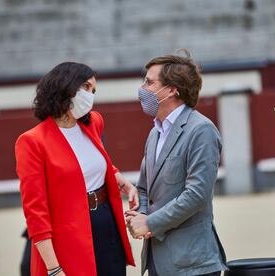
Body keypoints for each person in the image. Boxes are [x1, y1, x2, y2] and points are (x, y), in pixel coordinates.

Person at [15, 62, 136, 276]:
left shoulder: (94, 122)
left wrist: (121, 179)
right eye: (86, 88)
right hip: (68, 235)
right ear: (65, 86)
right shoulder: (32, 141)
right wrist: (53, 268)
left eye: (94, 91)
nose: (91, 96)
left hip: (107, 223)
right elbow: (35, 211)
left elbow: (94, 160)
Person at [125, 50, 227, 276]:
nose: (143, 89)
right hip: (158, 261)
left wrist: (150, 223)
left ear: (171, 89)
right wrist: (141, 215)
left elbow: (197, 195)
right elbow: (144, 187)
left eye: (150, 83)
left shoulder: (201, 130)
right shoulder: (155, 132)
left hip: (191, 264)